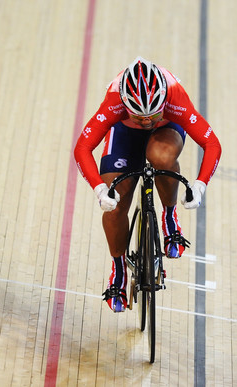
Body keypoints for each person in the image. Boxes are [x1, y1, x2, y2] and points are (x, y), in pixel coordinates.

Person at [74, 57, 222, 312]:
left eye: (152, 115)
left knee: (161, 157)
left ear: (163, 101)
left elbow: (212, 144)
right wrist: (99, 190)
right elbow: (82, 148)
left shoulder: (175, 96)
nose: (146, 122)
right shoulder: (114, 101)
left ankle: (169, 217)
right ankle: (118, 269)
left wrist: (199, 185)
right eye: (139, 116)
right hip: (123, 133)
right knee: (115, 204)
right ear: (125, 104)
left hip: (167, 130)